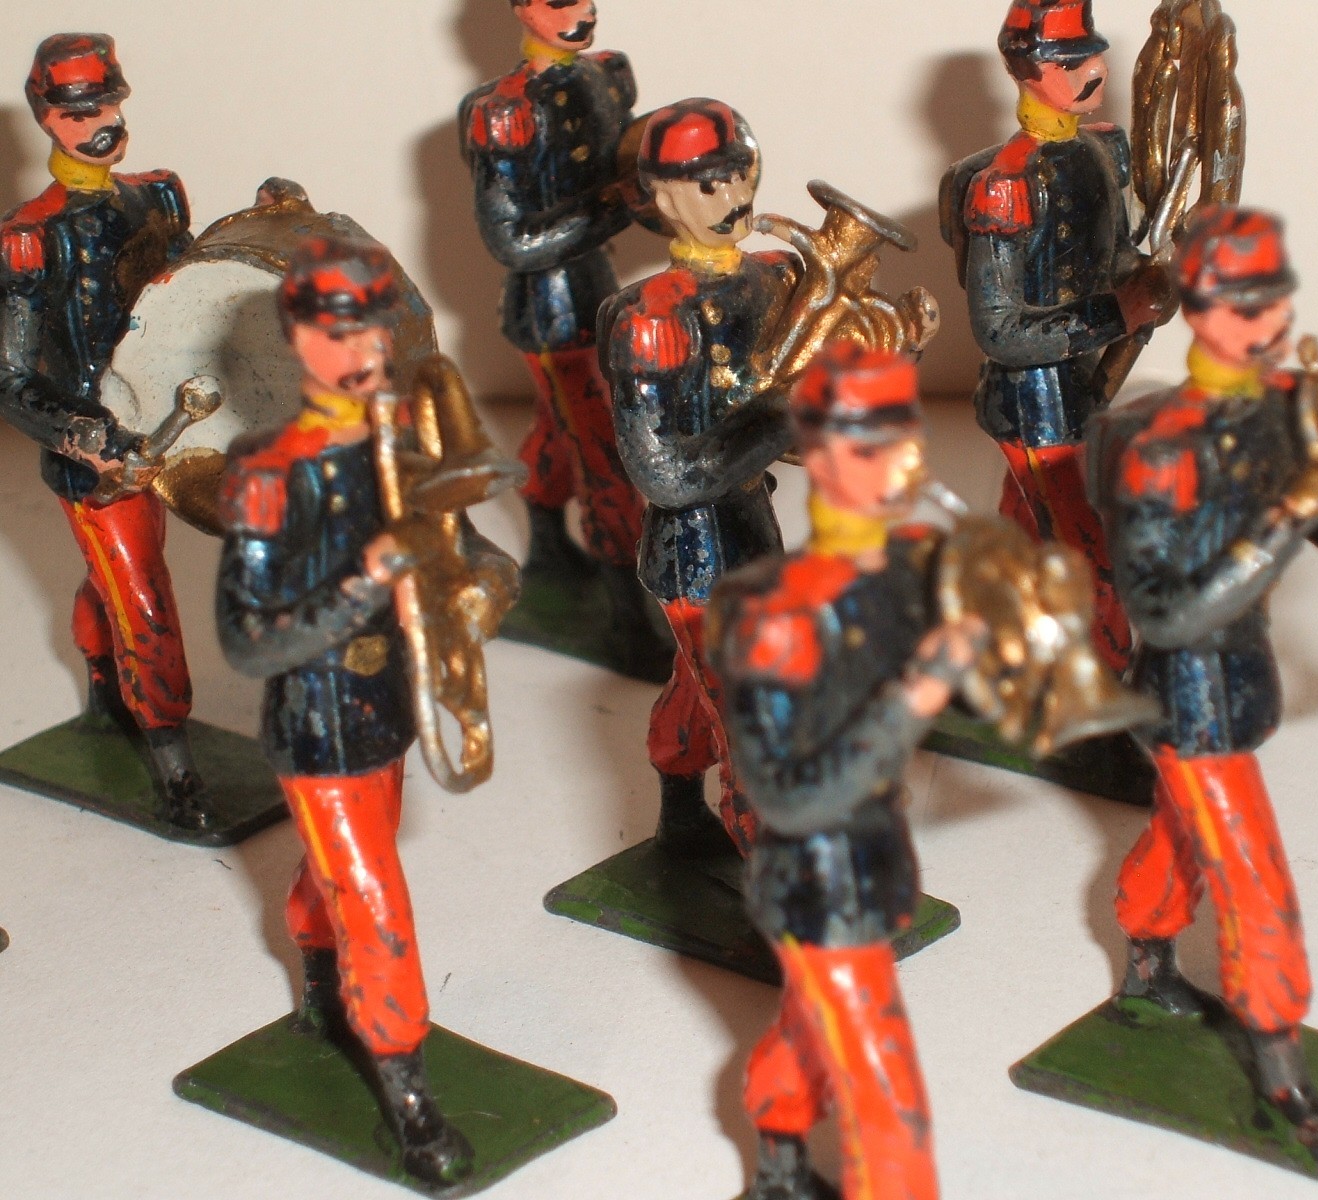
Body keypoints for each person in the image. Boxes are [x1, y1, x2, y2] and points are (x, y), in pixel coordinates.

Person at [1087, 206, 1318, 1161]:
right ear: (1198, 308)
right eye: (1246, 305)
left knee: (1180, 839)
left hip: (1239, 683)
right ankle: (1282, 1073)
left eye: (1275, 299)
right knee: (1255, 879)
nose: (1269, 320)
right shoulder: (1159, 445)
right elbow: (1167, 613)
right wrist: (1284, 518)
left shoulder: (1279, 404)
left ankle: (1145, 951)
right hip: (1182, 693)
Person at [216, 234, 487, 1188]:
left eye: (373, 326)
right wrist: (363, 583)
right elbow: (250, 642)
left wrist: (478, 588)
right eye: (340, 331)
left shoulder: (403, 442)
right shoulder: (264, 474)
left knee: (337, 874)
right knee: (376, 899)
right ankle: (408, 1091)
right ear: (298, 338)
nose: (364, 348)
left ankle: (317, 965)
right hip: (317, 725)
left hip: (388, 709)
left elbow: (460, 546)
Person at [712, 345, 980, 1200]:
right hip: (813, 885)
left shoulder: (906, 568)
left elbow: (966, 703)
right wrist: (918, 692)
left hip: (873, 864)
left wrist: (994, 649)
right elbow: (786, 796)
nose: (904, 468)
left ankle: (779, 1148)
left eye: (906, 440)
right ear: (820, 460)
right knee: (882, 1082)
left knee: (810, 1028)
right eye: (874, 449)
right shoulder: (771, 614)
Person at [0, 33, 208, 828]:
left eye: (106, 103)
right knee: (144, 593)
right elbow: (11, 379)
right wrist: (86, 435)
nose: (98, 123)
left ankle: (98, 668)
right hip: (101, 460)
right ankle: (172, 755)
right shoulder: (30, 235)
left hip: (175, 430)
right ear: (46, 119)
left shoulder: (158, 197)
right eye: (76, 112)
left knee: (116, 579)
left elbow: (193, 300)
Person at [945, 0, 1168, 673]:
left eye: (1090, 55)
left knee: (1026, 531)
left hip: (1083, 386)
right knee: (1089, 551)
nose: (1092, 70)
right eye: (1068, 62)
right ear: (1025, 71)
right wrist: (1116, 315)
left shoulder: (1101, 149)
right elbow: (999, 330)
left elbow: (1112, 257)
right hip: (1033, 402)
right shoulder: (1003, 187)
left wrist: (1149, 281)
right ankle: (1106, 683)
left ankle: (993, 649)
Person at [603, 99, 797, 856]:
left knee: (705, 689)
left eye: (740, 175)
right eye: (709, 185)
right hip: (694, 551)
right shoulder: (649, 319)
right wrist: (783, 418)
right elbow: (666, 474)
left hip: (752, 526)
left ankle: (677, 787)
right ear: (661, 198)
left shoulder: (773, 277)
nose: (735, 197)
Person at [460, 0, 668, 674]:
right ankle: (626, 613)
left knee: (563, 430)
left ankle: (548, 545)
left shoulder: (607, 74)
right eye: (557, 1)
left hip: (599, 292)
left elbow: (634, 163)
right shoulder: (503, 112)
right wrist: (616, 205)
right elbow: (512, 241)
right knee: (603, 448)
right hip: (550, 314)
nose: (580, 12)